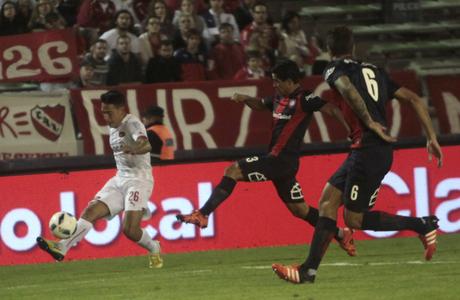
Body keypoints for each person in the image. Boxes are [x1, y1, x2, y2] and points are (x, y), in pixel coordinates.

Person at [272, 26, 443, 284]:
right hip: (364, 149)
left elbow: (348, 90)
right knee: (328, 200)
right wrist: (432, 137)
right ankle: (308, 270)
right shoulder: (375, 70)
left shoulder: (333, 69)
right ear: (353, 47)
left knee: (354, 219)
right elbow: (414, 98)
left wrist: (369, 122)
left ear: (329, 50)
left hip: (370, 148)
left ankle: (423, 225)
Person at [177, 59, 356, 257]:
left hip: (280, 161)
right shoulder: (279, 98)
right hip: (282, 164)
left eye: (278, 81)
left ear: (290, 81)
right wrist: (245, 98)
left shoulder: (305, 99)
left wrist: (350, 129)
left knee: (232, 170)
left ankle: (202, 214)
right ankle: (341, 234)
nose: (275, 85)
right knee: (300, 210)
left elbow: (331, 109)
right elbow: (261, 104)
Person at [36, 90, 163, 269]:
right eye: (103, 112)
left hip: (138, 181)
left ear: (121, 109)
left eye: (109, 112)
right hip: (120, 179)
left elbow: (146, 144)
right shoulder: (112, 126)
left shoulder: (133, 124)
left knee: (130, 230)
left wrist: (134, 148)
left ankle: (154, 246)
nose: (105, 116)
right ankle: (61, 246)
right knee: (90, 211)